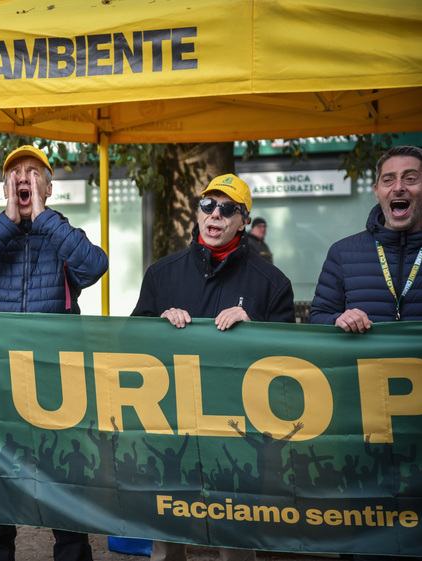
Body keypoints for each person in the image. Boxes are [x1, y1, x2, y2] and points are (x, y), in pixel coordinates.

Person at [0, 145, 108, 561]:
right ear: (5, 188)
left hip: (56, 386)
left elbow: (94, 267)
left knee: (64, 492)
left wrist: (43, 218)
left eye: (34, 173)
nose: (24, 178)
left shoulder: (62, 234)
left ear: (48, 188)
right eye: (15, 173)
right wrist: (8, 222)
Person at [131, 173, 295, 561]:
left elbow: (291, 364)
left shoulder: (272, 283)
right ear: (197, 212)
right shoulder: (161, 274)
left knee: (236, 546)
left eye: (228, 208)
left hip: (238, 433)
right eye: (208, 205)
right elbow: (130, 346)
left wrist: (254, 331)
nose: (215, 214)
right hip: (173, 428)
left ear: (243, 220)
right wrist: (156, 327)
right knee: (167, 543)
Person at [310, 145, 422, 329]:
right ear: (377, 192)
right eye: (388, 180)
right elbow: (316, 318)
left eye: (410, 178)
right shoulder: (342, 253)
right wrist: (337, 319)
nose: (398, 187)